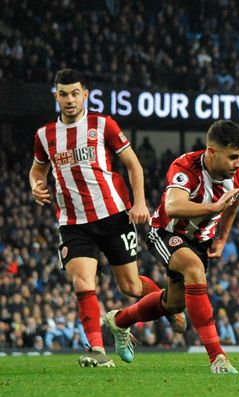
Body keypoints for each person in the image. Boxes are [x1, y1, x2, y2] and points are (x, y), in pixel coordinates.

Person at [29, 68, 164, 368]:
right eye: (63, 94)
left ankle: (168, 304)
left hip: (113, 214)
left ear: (85, 94)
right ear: (56, 96)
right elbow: (38, 170)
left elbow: (133, 165)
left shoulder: (103, 125)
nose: (69, 99)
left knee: (130, 287)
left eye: (75, 93)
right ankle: (97, 350)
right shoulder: (44, 135)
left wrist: (139, 202)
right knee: (81, 282)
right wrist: (35, 186)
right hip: (73, 222)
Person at [104, 120, 239, 374]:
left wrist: (223, 237)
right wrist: (214, 208)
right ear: (212, 151)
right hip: (166, 232)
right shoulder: (185, 167)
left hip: (201, 240)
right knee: (195, 269)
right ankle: (218, 358)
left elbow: (235, 199)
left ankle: (119, 321)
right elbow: (173, 206)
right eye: (233, 157)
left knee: (174, 305)